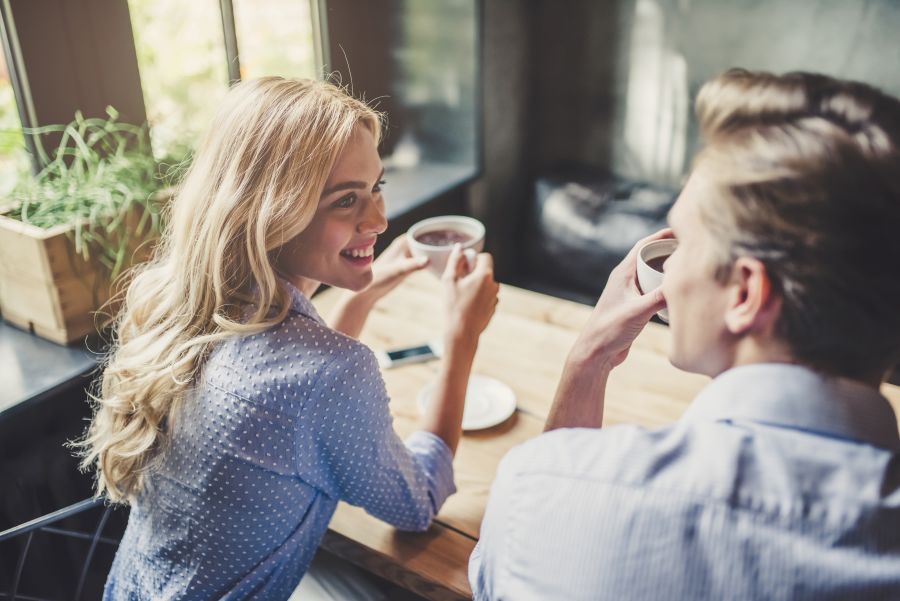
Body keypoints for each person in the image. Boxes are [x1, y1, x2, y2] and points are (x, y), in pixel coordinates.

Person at [470, 69, 900, 600]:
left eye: (685, 244)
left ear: (745, 293)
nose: (669, 271)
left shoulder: (544, 491)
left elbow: (500, 573)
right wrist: (592, 357)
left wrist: (584, 358)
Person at [78, 77, 499, 599]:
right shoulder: (328, 373)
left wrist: (359, 299)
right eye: (346, 201)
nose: (379, 219)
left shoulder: (177, 305)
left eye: (377, 188)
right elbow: (417, 503)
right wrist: (461, 339)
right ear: (270, 212)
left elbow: (289, 400)